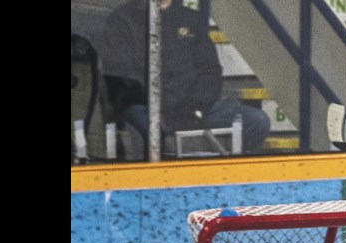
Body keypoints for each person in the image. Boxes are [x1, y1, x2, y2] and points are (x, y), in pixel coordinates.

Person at [101, 0, 270, 155]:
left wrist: (195, 107)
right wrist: (163, 106)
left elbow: (210, 70)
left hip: (193, 108)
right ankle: (157, 181)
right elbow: (121, 76)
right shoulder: (121, 20)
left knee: (257, 121)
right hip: (146, 107)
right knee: (152, 131)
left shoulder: (191, 18)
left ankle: (229, 174)